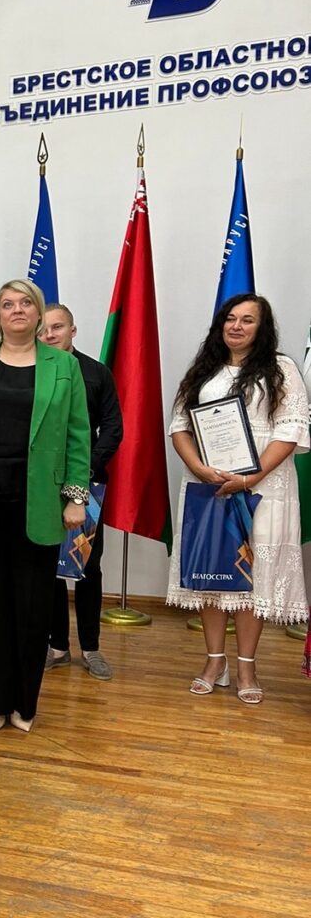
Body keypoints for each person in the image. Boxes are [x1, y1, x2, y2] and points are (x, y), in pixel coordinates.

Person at [0, 279, 90, 733]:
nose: (17, 310)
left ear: (38, 313)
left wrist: (76, 498)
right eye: (8, 304)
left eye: (25, 303)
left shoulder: (62, 365)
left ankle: (25, 702)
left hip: (40, 502)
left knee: (32, 606)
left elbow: (77, 434)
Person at [166, 294, 309, 703]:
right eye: (230, 318)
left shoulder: (281, 369)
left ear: (262, 328)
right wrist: (199, 468)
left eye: (248, 320)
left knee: (251, 578)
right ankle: (215, 662)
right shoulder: (203, 371)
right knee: (212, 575)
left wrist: (251, 477)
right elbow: (179, 426)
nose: (237, 326)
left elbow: (291, 430)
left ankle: (247, 666)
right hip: (209, 486)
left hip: (264, 487)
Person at [40, 303, 123, 681]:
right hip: (42, 485)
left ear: (73, 330)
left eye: (57, 327)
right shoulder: (30, 369)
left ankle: (91, 648)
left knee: (88, 567)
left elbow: (113, 427)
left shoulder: (96, 373)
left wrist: (84, 469)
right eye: (43, 329)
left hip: (86, 484)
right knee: (49, 569)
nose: (49, 335)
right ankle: (57, 646)